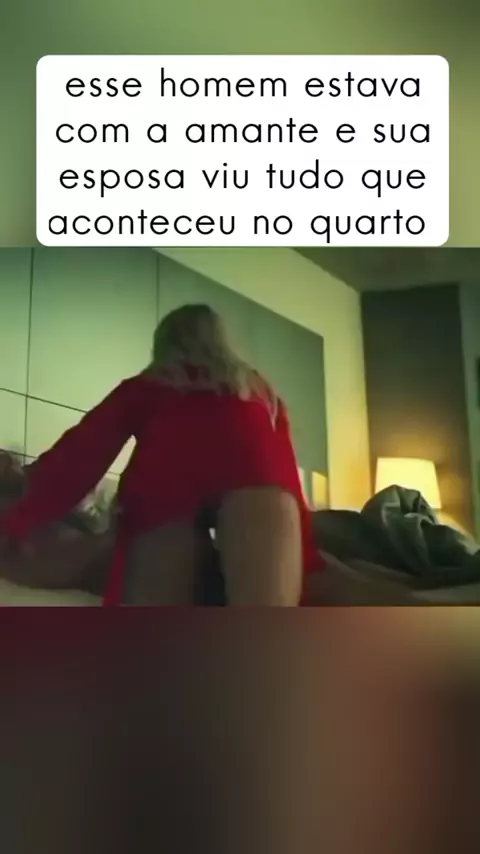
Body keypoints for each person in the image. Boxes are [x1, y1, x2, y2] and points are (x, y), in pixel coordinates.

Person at [0, 304, 321, 606]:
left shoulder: (147, 384)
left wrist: (17, 520)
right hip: (256, 479)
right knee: (264, 626)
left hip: (167, 489)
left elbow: (79, 459)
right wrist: (306, 554)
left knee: (156, 631)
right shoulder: (260, 391)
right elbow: (284, 471)